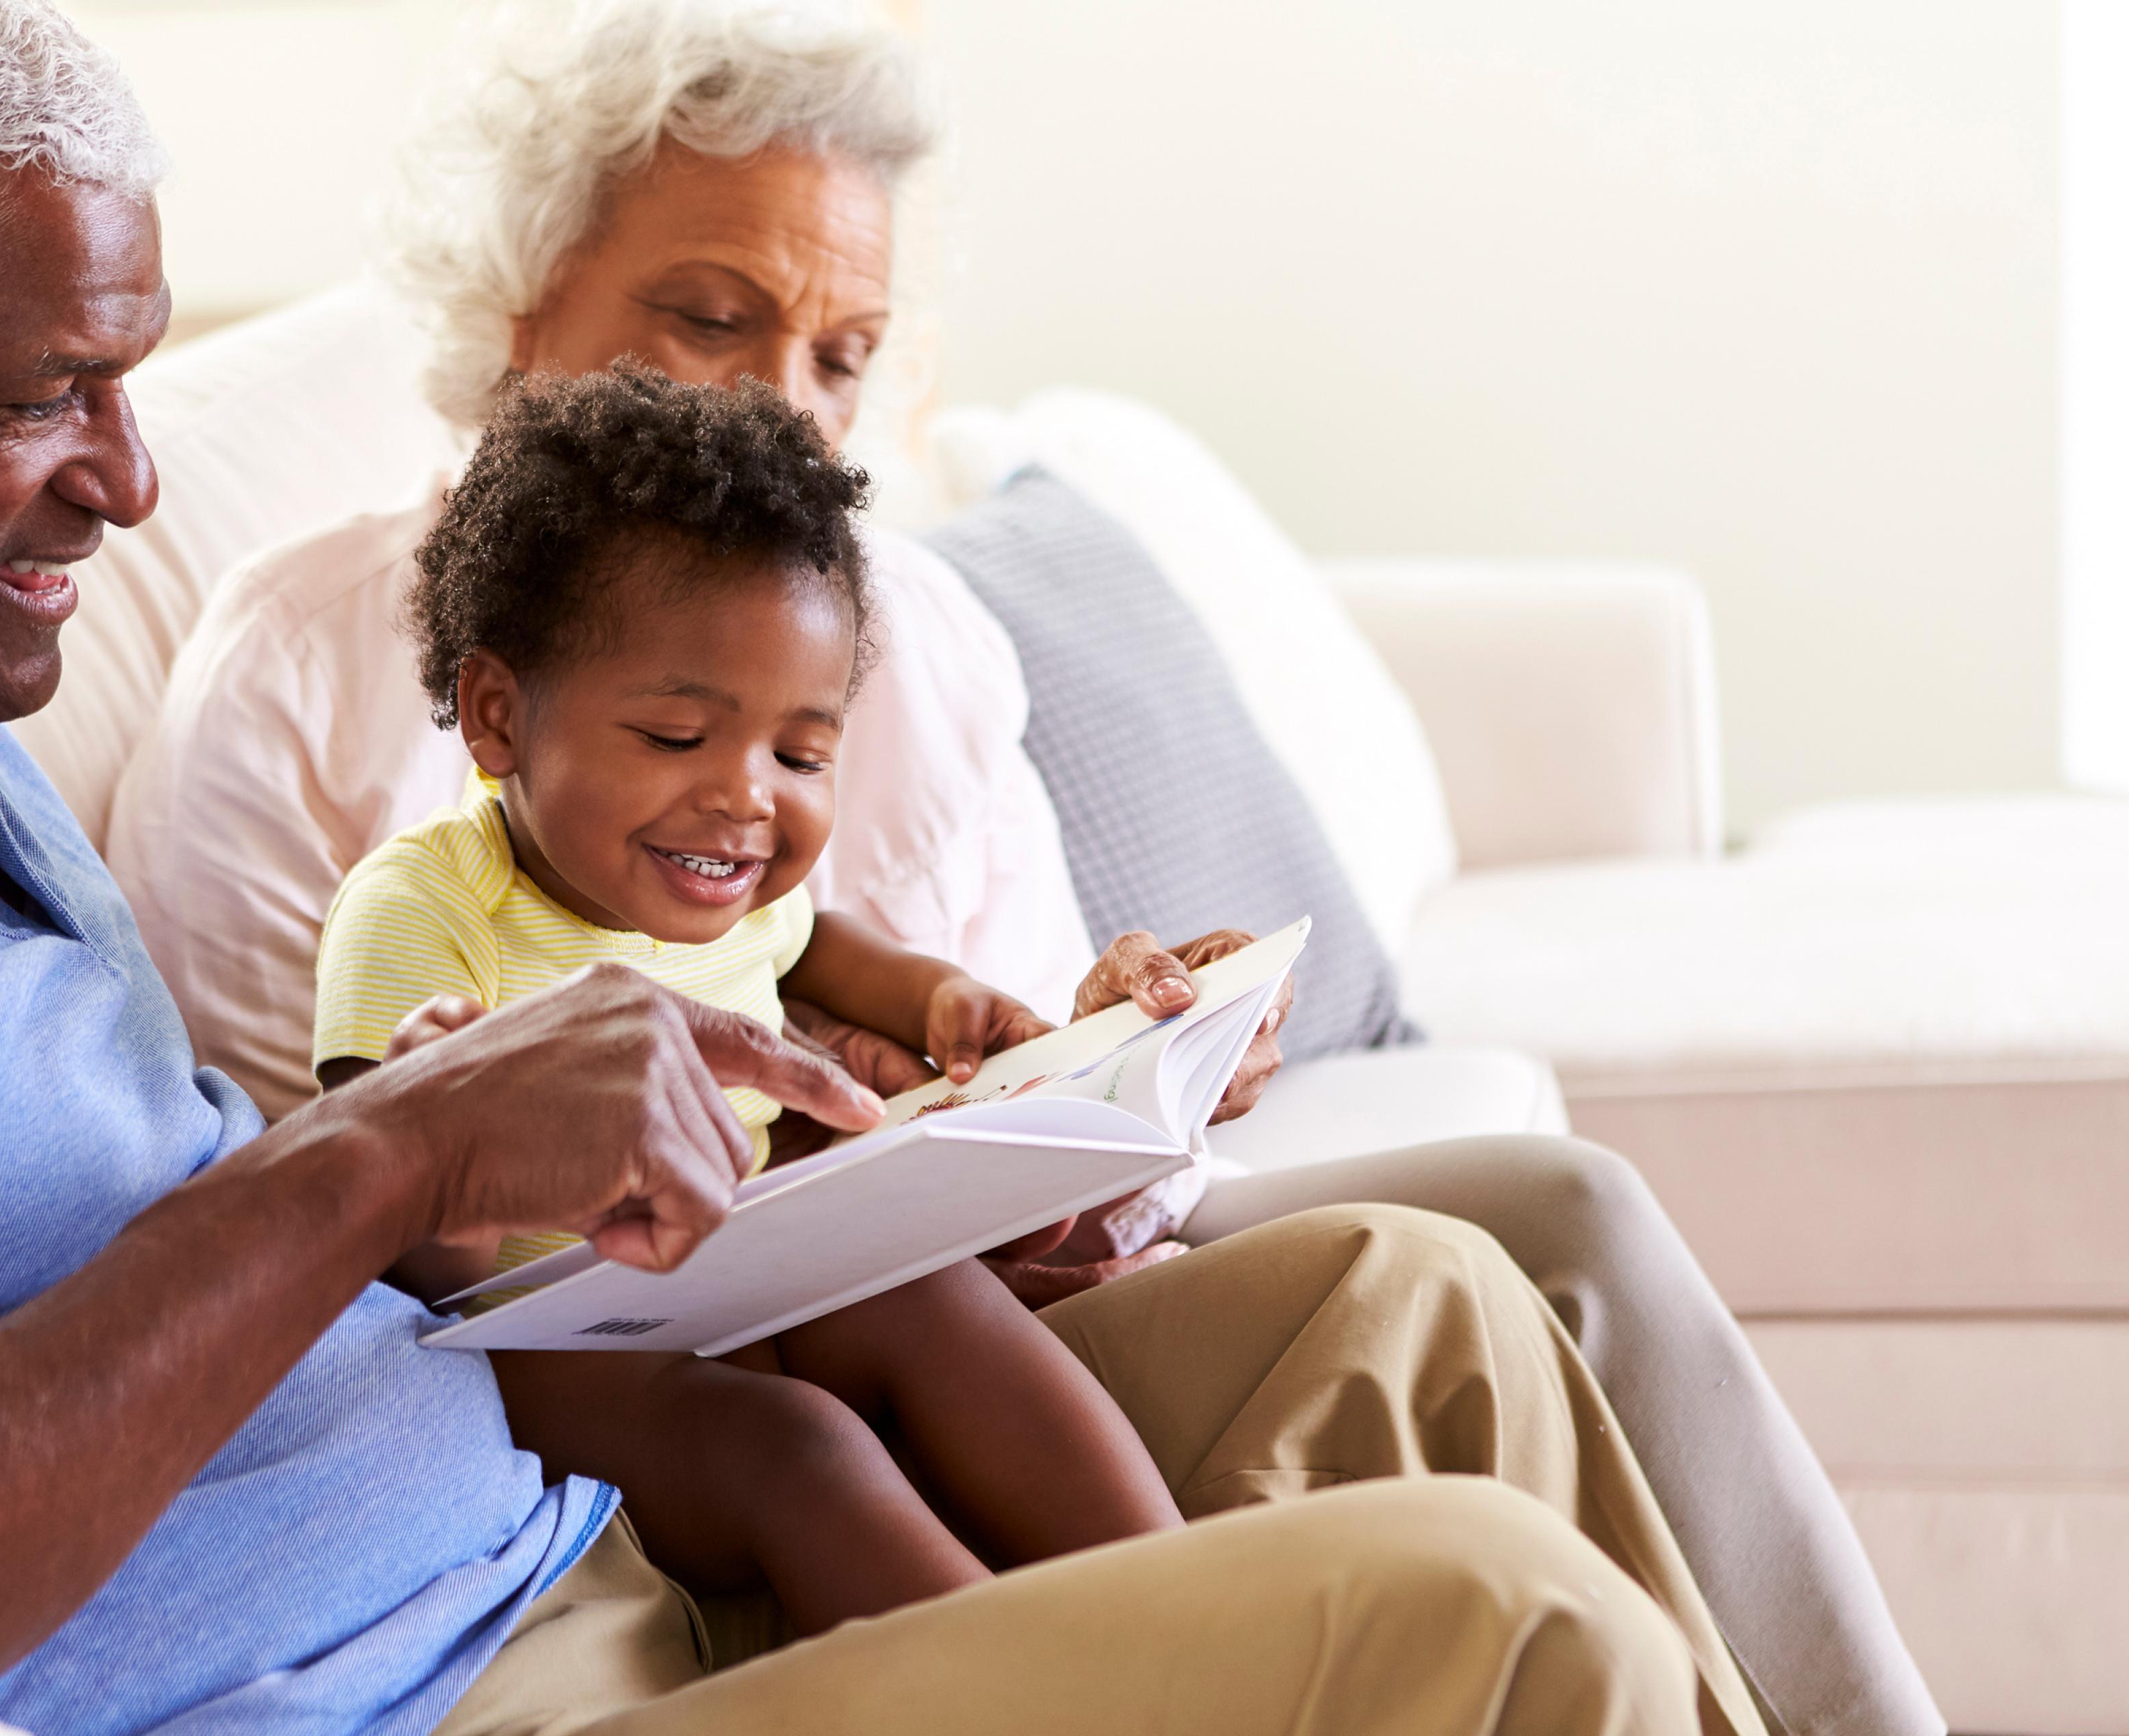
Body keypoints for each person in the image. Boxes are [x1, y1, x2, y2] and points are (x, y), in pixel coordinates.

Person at [0, 4, 1768, 1734]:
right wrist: (378, 1169)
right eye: (53, 392)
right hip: (427, 1687)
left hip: (591, 1510)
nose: (128, 477)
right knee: (1495, 1620)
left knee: (1438, 1307)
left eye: (137, 384)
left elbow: (183, 1190)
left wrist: (867, 1160)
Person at [106, 6, 1940, 1735]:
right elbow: (315, 1229)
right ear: (516, 312)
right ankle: (1175, 1649)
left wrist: (1098, 1074)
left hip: (913, 1298)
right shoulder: (299, 681)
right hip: (595, 1389)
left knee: (1541, 1224)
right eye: (710, 318)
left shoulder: (904, 641)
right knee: (1469, 1295)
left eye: (837, 355)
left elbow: (981, 1087)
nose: (782, 410)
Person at [315, 365, 1186, 1634]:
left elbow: (811, 943)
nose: (748, 798)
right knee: (795, 1449)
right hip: (554, 1354)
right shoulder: (423, 914)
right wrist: (452, 1133)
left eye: (802, 753)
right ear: (498, 715)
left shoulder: (725, 885)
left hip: (741, 1280)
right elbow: (402, 1265)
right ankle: (1029, 1689)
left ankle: (1195, 1615)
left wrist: (940, 997)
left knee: (933, 1290)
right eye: (676, 738)